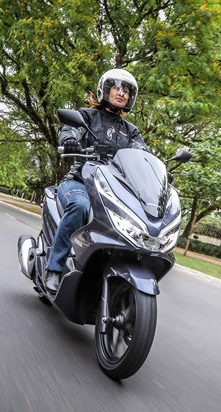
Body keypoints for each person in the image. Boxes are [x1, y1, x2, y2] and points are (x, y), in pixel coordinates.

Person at [45, 68, 148, 294]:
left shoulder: (131, 132)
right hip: (79, 183)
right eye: (117, 88)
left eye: (126, 90)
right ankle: (54, 268)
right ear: (105, 89)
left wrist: (156, 170)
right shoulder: (87, 116)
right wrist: (69, 140)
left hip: (113, 193)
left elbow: (142, 155)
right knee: (80, 206)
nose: (121, 93)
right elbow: (70, 131)